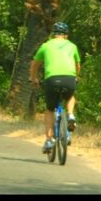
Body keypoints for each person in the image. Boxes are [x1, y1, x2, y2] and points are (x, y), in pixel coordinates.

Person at [30, 22, 80, 152]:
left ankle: (49, 140)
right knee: (70, 96)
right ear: (66, 35)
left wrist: (34, 78)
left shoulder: (46, 46)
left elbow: (35, 64)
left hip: (51, 80)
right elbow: (77, 65)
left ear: (53, 34)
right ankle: (70, 115)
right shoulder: (72, 46)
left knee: (50, 109)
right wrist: (76, 76)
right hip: (69, 78)